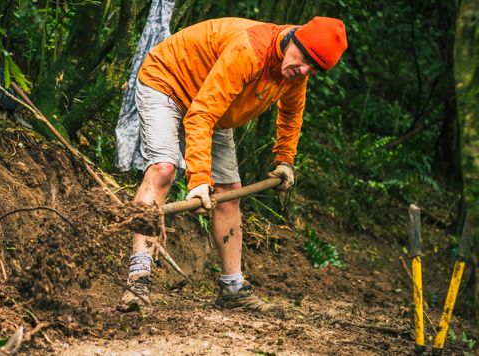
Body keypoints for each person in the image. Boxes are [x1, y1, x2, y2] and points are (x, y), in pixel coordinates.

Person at [117, 16, 347, 313]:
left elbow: (290, 116)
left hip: (214, 104)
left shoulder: (295, 74)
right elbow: (200, 116)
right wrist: (199, 180)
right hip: (169, 82)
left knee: (230, 191)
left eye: (313, 69)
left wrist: (285, 161)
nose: (303, 70)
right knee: (163, 170)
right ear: (295, 39)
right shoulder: (250, 49)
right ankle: (138, 279)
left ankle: (233, 289)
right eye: (304, 60)